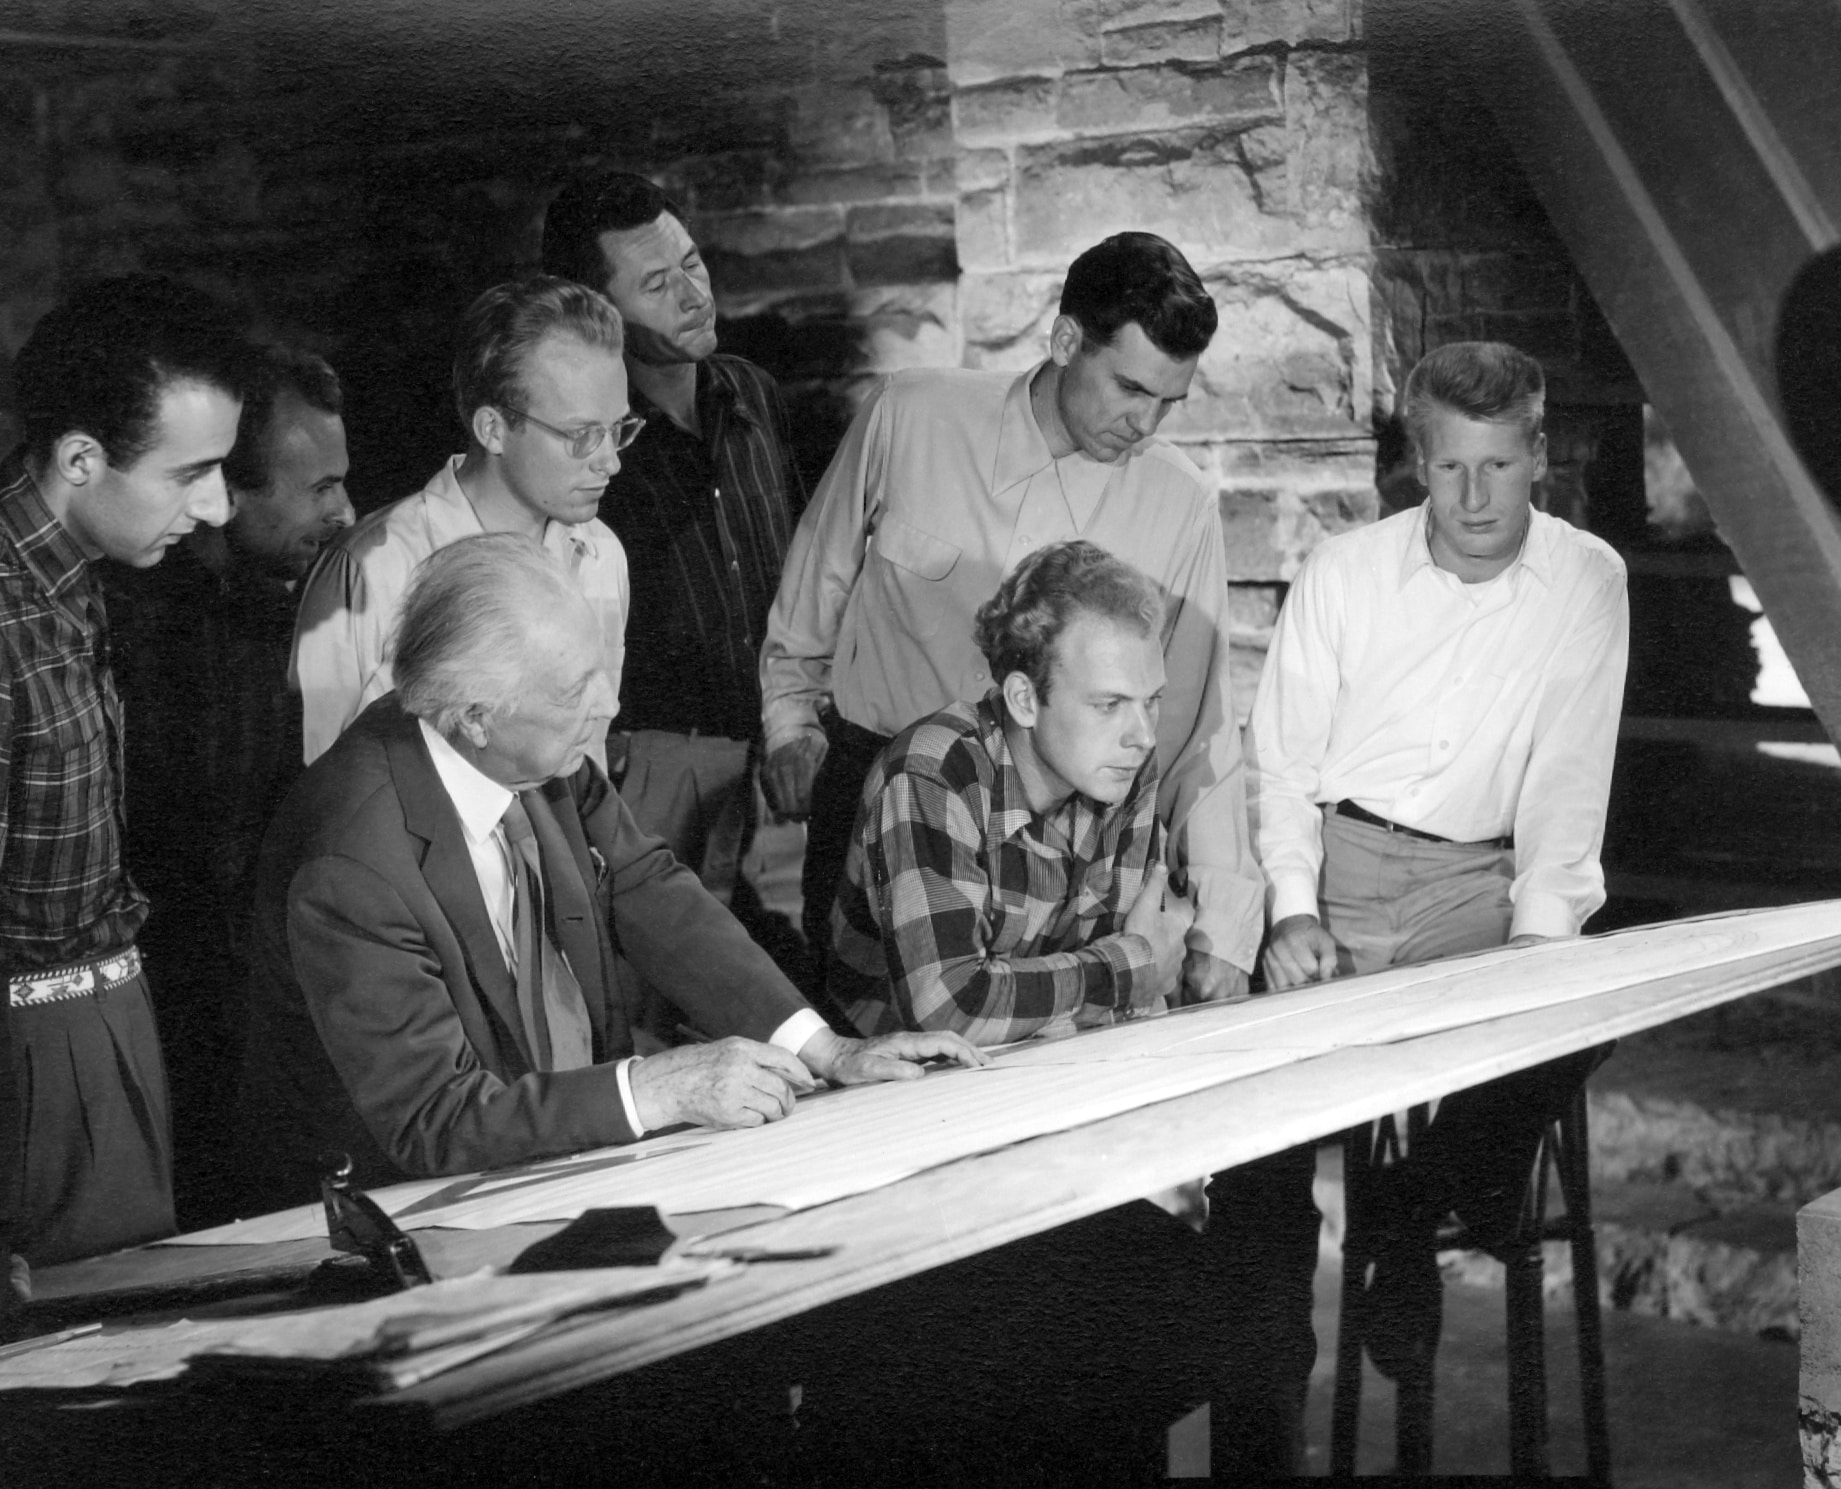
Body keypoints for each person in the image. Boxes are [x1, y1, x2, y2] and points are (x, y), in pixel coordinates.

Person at [238, 535, 981, 1212]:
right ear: (473, 715)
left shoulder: (538, 755)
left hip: (550, 1171)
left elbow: (651, 890)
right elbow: (436, 1117)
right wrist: (658, 1088)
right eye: (573, 691)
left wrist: (828, 1050)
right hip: (394, 1214)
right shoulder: (352, 864)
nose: (610, 704)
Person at [813, 541, 1318, 1479]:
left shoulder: (1117, 779)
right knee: (1082, 1347)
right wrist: (1124, 960)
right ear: (1020, 700)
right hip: (902, 1158)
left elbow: (1127, 1012)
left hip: (1035, 1128)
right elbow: (956, 1005)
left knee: (1259, 1265)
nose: (1140, 734)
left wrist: (1111, 983)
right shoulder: (932, 773)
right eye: (1108, 703)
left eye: (1150, 704)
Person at [1246, 339, 1629, 1373]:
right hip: (1340, 872)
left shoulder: (1586, 580)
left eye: (1496, 466)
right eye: (1450, 465)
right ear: (1419, 456)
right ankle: (1266, 1374)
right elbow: (1279, 765)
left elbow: (1566, 777)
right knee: (1246, 1124)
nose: (1471, 496)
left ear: (1535, 455)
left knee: (1585, 1002)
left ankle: (1404, 1218)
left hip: (1476, 879)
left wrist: (1535, 944)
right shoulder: (1343, 573)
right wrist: (1289, 909)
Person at [762, 231, 1263, 1016]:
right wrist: (788, 719)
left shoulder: (1179, 502)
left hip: (1063, 840)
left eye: (1169, 401)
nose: (1147, 424)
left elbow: (1197, 729)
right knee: (863, 1051)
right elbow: (816, 576)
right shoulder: (911, 414)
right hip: (872, 789)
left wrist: (1225, 923)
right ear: (1066, 340)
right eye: (1130, 388)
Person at [0, 274, 249, 1264]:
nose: (219, 505)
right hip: (32, 1066)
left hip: (106, 1025)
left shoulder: (78, 586)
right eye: (191, 473)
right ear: (79, 458)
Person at [104, 345, 354, 1228]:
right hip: (187, 1014)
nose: (345, 509)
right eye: (318, 487)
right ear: (229, 493)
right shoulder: (158, 634)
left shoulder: (282, 614)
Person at [541, 171, 805, 962]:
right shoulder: (593, 448)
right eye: (657, 283)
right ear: (603, 312)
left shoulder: (751, 395)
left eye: (692, 263)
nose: (693, 294)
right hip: (655, 781)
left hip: (775, 766)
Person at [293, 276, 632, 765]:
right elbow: (320, 786)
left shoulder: (602, 557)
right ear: (493, 428)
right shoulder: (372, 571)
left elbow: (586, 762)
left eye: (618, 429)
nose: (610, 460)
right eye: (582, 435)